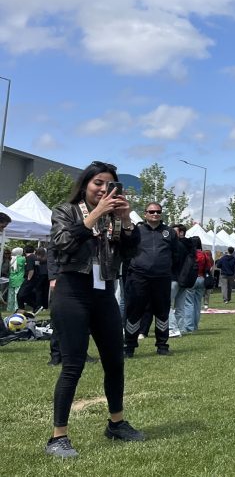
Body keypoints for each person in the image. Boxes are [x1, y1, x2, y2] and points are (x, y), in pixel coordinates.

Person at [47, 161, 146, 458]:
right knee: (73, 364)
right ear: (86, 184)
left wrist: (126, 220)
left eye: (110, 185)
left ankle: (116, 423)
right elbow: (62, 244)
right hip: (72, 292)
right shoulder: (65, 211)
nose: (104, 189)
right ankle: (58, 437)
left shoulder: (115, 217)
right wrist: (94, 216)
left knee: (115, 361)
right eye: (98, 183)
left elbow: (130, 253)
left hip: (103, 292)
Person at [124, 202, 185, 357]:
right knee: (134, 312)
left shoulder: (169, 232)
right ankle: (129, 346)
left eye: (158, 211)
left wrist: (166, 268)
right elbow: (127, 249)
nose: (155, 214)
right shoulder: (137, 230)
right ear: (145, 214)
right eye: (151, 211)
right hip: (139, 277)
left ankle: (162, 346)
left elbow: (176, 254)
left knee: (162, 312)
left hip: (162, 278)